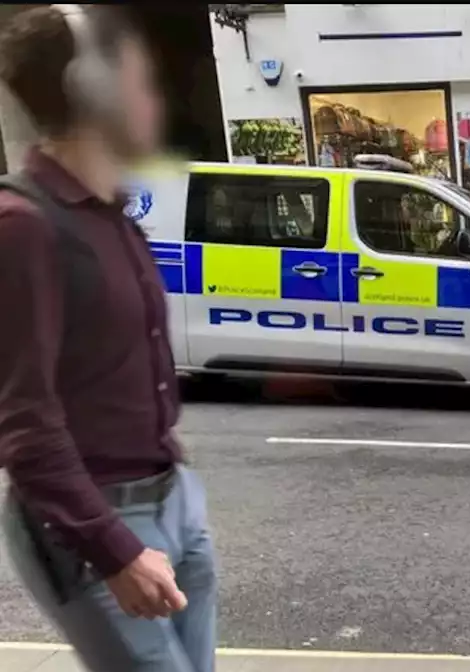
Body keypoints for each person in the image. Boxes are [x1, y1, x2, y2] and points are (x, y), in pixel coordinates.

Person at [0, 6, 217, 672]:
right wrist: (113, 548)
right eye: (142, 81)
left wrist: (179, 489)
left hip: (172, 503)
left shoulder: (115, 214)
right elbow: (24, 424)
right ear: (91, 89)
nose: (159, 98)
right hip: (102, 527)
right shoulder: (23, 227)